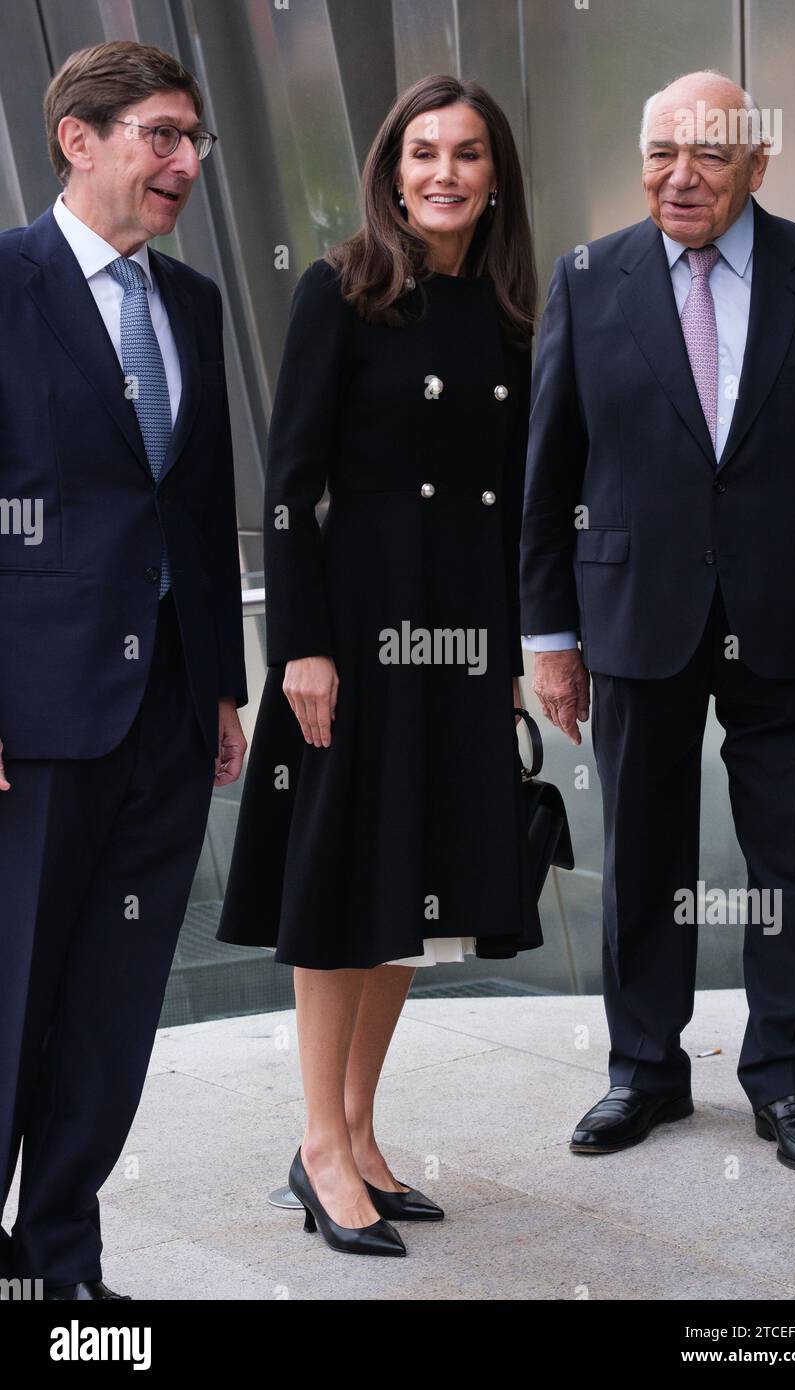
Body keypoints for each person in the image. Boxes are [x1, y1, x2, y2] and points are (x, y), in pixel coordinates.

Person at [217, 74, 540, 1254]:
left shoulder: (512, 313)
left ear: (493, 174)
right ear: (390, 173)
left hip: (459, 645)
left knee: (418, 893)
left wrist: (504, 658)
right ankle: (314, 1145)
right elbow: (290, 486)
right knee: (346, 884)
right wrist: (298, 643)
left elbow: (511, 509)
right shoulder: (341, 290)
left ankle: (356, 1133)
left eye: (464, 154)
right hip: (354, 635)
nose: (442, 173)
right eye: (421, 154)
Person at [521, 69, 795, 1172]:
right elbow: (548, 467)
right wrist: (547, 636)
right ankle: (641, 1072)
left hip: (790, 614)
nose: (681, 176)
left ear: (756, 164)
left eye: (709, 154)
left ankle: (784, 1083)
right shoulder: (585, 279)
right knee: (641, 852)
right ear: (638, 159)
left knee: (785, 859)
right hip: (631, 611)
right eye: (662, 151)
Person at [0, 40, 247, 1299]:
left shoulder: (192, 302)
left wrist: (221, 684)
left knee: (111, 1010)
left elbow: (198, 504)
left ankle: (61, 1266)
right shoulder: (5, 281)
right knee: (12, 1000)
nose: (187, 162)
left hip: (160, 715)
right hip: (30, 724)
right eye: (161, 134)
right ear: (76, 139)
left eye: (195, 139)